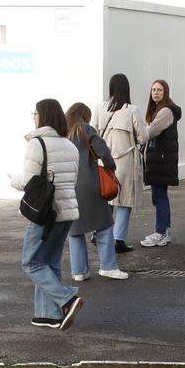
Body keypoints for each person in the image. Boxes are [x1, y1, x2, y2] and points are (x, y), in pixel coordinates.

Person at [10, 99, 83, 330]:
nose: (33, 116)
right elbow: (73, 178)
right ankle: (47, 314)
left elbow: (28, 181)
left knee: (31, 262)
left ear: (42, 116)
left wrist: (13, 180)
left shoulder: (37, 144)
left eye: (35, 112)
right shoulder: (70, 145)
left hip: (45, 213)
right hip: (67, 211)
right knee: (49, 261)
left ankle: (67, 298)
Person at [62, 102, 122, 282]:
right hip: (89, 183)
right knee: (104, 224)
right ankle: (108, 266)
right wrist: (111, 166)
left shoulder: (63, 133)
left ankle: (79, 271)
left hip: (68, 186)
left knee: (76, 229)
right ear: (83, 116)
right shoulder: (84, 129)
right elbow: (102, 150)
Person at [97, 74, 144, 255]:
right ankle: (118, 239)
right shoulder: (131, 110)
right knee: (124, 200)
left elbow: (93, 133)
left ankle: (99, 233)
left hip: (105, 161)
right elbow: (143, 136)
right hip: (125, 161)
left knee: (106, 196)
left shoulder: (100, 107)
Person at [140, 79, 182, 248]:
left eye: (159, 90)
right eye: (153, 90)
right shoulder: (159, 109)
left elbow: (150, 132)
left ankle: (161, 232)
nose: (156, 93)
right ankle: (164, 232)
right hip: (161, 160)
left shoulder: (165, 111)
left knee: (159, 197)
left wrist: (140, 131)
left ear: (166, 93)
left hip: (161, 161)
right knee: (160, 196)